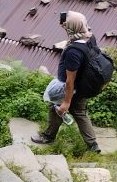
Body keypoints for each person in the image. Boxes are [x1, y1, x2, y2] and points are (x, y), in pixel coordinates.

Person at [31, 10, 101, 153]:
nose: (62, 26)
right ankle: (93, 145)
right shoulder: (89, 37)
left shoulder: (74, 51)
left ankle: (48, 137)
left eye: (65, 25)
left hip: (70, 87)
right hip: (83, 85)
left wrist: (66, 102)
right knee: (80, 112)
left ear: (72, 27)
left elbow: (70, 81)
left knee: (56, 108)